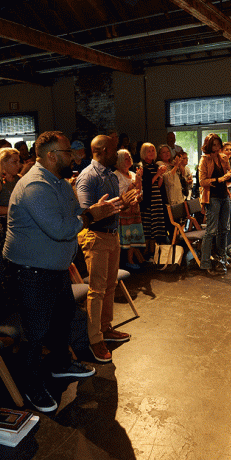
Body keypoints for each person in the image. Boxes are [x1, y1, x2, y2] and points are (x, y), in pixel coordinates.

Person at [3, 130, 122, 412]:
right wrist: (94, 214)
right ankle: (32, 386)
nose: (75, 156)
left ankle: (60, 365)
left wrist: (92, 211)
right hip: (29, 272)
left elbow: (74, 215)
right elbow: (61, 228)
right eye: (69, 152)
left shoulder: (57, 182)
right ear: (52, 156)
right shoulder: (35, 186)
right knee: (36, 333)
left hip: (53, 270)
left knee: (62, 320)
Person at [76, 135, 139, 363]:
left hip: (112, 236)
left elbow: (113, 207)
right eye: (113, 150)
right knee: (97, 290)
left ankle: (105, 327)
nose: (118, 153)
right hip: (95, 237)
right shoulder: (88, 177)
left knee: (110, 286)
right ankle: (95, 339)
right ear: (102, 151)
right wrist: (104, 207)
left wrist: (125, 202)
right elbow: (84, 215)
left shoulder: (111, 176)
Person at [198, 134, 231, 276]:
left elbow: (228, 179)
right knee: (211, 231)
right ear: (209, 146)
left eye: (218, 145)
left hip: (225, 196)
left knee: (224, 229)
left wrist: (230, 173)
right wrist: (218, 179)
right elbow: (202, 181)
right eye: (214, 145)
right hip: (212, 197)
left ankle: (221, 259)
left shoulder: (223, 158)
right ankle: (205, 263)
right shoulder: (204, 160)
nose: (217, 148)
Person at [114, 149, 146, 270]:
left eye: (130, 157)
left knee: (133, 236)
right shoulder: (116, 175)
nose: (129, 160)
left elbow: (139, 191)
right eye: (126, 158)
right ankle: (121, 262)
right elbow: (122, 196)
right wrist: (135, 184)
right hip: (124, 211)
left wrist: (138, 197)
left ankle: (130, 259)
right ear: (120, 160)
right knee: (124, 237)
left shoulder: (132, 173)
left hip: (134, 209)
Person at [139, 142, 169, 256]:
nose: (151, 153)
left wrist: (161, 175)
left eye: (153, 150)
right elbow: (146, 185)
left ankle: (153, 252)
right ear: (143, 153)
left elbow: (158, 184)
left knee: (155, 228)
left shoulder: (155, 165)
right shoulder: (142, 166)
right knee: (148, 229)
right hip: (148, 200)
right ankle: (146, 253)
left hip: (157, 198)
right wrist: (157, 174)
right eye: (149, 151)